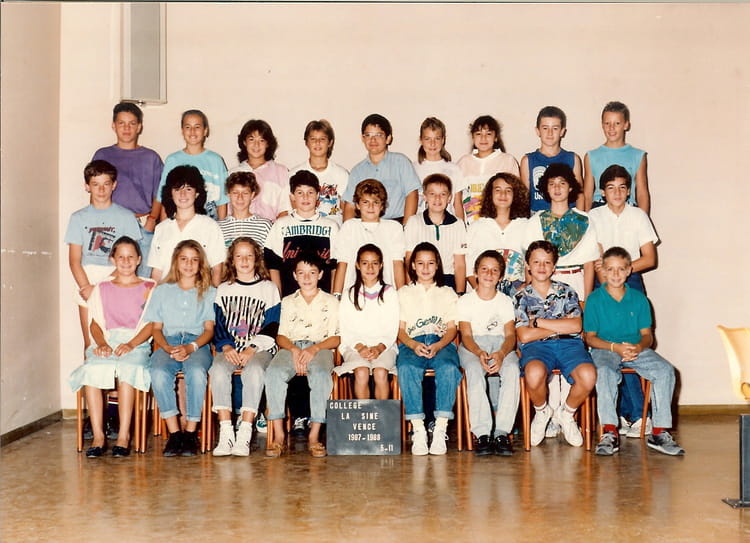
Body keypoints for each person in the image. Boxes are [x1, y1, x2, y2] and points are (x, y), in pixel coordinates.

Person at [585, 247, 684, 456]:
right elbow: (590, 337)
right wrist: (615, 347)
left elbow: (647, 336)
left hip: (634, 347)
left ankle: (659, 432)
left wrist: (638, 347)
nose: (615, 274)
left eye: (621, 269)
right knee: (604, 372)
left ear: (629, 270)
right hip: (605, 348)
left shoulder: (639, 299)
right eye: (610, 269)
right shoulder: (594, 299)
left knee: (665, 371)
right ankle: (609, 431)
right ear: (602, 271)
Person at [68, 236, 155, 457]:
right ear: (113, 260)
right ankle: (98, 436)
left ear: (139, 259)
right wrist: (102, 344)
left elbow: (152, 325)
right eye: (121, 257)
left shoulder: (150, 287)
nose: (126, 261)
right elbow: (95, 324)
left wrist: (131, 344)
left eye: (131, 257)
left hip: (136, 343)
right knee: (92, 369)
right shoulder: (102, 287)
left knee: (127, 369)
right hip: (107, 340)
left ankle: (124, 436)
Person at [589, 164, 659, 436]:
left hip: (631, 280)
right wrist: (608, 279)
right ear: (602, 192)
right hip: (602, 282)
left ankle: (639, 414)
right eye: (610, 188)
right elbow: (595, 257)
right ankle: (618, 414)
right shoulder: (594, 216)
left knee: (632, 347)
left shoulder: (638, 215)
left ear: (628, 191)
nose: (616, 193)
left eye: (622, 187)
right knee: (610, 349)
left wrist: (620, 272)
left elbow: (649, 258)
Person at [513, 240, 597, 447]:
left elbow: (576, 326)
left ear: (554, 267)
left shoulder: (567, 291)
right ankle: (542, 411)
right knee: (534, 373)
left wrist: (538, 322)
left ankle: (566, 414)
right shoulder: (520, 297)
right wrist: (560, 325)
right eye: (536, 262)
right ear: (528, 265)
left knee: (588, 375)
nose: (542, 267)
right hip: (537, 347)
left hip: (570, 346)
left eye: (547, 262)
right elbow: (524, 336)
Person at [264, 252, 340, 458]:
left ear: (320, 274)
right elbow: (281, 336)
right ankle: (279, 435)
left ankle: (314, 435)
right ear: (294, 276)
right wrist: (294, 350)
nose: (307, 278)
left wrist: (314, 349)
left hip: (320, 347)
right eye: (301, 273)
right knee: (274, 372)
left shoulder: (331, 301)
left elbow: (336, 338)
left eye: (312, 273)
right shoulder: (288, 301)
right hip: (292, 347)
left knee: (321, 375)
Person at [210, 237, 281, 457]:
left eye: (249, 255)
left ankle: (245, 431)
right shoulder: (223, 289)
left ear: (256, 259)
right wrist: (226, 347)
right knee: (217, 369)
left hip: (260, 348)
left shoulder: (268, 288)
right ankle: (226, 432)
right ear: (232, 260)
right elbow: (218, 323)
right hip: (230, 348)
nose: (244, 260)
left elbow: (273, 324)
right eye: (239, 256)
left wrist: (252, 347)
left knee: (255, 370)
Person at [145, 240, 216, 457]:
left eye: (194, 260)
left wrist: (191, 347)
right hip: (169, 342)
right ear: (176, 261)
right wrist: (166, 347)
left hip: (197, 344)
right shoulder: (162, 291)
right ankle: (175, 433)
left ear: (201, 264)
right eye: (184, 259)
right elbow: (156, 328)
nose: (189, 264)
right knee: (158, 371)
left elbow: (209, 330)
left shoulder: (209, 291)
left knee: (196, 372)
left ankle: (191, 433)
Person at [65, 160, 142, 350]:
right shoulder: (78, 218)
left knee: (117, 341)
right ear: (87, 186)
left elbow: (130, 259)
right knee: (91, 344)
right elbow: (74, 261)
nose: (101, 190)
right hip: (87, 280)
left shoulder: (126, 217)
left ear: (114, 185)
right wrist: (87, 288)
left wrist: (104, 287)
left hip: (117, 278)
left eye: (106, 184)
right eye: (95, 184)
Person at [397, 242, 462, 456]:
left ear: (438, 265)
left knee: (448, 367)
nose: (425, 268)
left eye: (431, 263)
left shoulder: (447, 292)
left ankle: (440, 427)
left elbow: (452, 328)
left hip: (441, 341)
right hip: (412, 342)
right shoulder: (404, 293)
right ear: (413, 266)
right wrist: (413, 344)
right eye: (420, 263)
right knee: (406, 368)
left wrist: (440, 344)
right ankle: (418, 430)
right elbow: (400, 330)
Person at [458, 250, 520, 456]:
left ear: (500, 276)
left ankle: (502, 432)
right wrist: (479, 353)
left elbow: (510, 335)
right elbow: (466, 335)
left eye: (494, 270)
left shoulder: (505, 301)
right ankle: (482, 433)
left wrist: (501, 354)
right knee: (474, 370)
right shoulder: (465, 301)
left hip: (501, 344)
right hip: (473, 345)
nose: (489, 274)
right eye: (484, 269)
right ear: (475, 272)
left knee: (512, 369)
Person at [92, 102, 163, 277]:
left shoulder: (151, 157)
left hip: (142, 225)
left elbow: (160, 194)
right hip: (110, 225)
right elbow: (95, 192)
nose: (126, 128)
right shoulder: (102, 155)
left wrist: (152, 220)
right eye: (121, 123)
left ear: (139, 127)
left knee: (142, 280)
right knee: (108, 279)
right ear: (113, 125)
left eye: (132, 123)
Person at [337, 244, 399, 399]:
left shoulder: (390, 293)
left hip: (384, 346)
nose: (370, 268)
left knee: (380, 372)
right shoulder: (349, 293)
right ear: (358, 265)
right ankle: (364, 413)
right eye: (365, 263)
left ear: (381, 265)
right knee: (362, 372)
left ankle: (381, 415)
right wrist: (360, 347)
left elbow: (392, 328)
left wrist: (379, 348)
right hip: (354, 346)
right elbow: (346, 328)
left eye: (375, 263)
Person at [148, 165, 225, 286]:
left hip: (199, 293)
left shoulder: (210, 226)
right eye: (177, 189)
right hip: (166, 293)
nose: (183, 194)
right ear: (171, 193)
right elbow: (156, 273)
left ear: (197, 193)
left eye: (188, 189)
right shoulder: (161, 228)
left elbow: (217, 269)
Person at [264, 170, 339, 296]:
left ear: (318, 195)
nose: (305, 197)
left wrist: (332, 298)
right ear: (292, 196)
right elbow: (273, 266)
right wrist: (278, 298)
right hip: (289, 298)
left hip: (322, 299)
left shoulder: (331, 226)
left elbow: (335, 267)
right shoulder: (281, 225)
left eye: (310, 192)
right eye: (300, 193)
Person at [342, 113, 421, 224]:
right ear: (362, 138)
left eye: (379, 135)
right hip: (366, 226)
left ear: (388, 138)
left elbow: (412, 194)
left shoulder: (401, 162)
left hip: (396, 224)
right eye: (368, 135)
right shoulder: (357, 171)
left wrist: (406, 226)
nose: (373, 140)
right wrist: (349, 229)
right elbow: (350, 206)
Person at [333, 179, 406, 296]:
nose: (371, 207)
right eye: (365, 202)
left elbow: (398, 264)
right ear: (357, 205)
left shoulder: (394, 228)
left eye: (376, 202)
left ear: (382, 206)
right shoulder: (349, 227)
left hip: (385, 294)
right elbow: (342, 263)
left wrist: (402, 296)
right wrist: (337, 295)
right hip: (353, 294)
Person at [157, 110, 229, 220]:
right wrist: (163, 226)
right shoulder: (173, 160)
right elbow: (165, 198)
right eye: (188, 127)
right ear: (182, 131)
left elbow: (222, 201)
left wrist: (222, 227)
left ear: (205, 131)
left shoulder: (216, 160)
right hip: (179, 222)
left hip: (209, 222)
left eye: (197, 127)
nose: (192, 131)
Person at [466, 172, 530, 297]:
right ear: (490, 194)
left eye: (508, 190)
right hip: (483, 293)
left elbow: (533, 263)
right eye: (498, 190)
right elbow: (468, 267)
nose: (503, 194)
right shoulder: (477, 227)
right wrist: (483, 293)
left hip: (519, 294)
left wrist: (524, 289)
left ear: (516, 195)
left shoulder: (526, 226)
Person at [404, 173, 467, 294]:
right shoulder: (414, 222)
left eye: (443, 194)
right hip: (421, 280)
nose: (437, 198)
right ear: (425, 197)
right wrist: (411, 290)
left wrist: (460, 293)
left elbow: (459, 264)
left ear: (449, 198)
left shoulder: (458, 224)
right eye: (432, 194)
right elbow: (409, 260)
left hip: (448, 281)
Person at [583, 101, 649, 212]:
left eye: (617, 123)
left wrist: (643, 218)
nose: (611, 128)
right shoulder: (591, 156)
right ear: (602, 125)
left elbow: (642, 193)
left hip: (627, 208)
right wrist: (587, 218)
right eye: (607, 123)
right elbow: (587, 195)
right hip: (600, 208)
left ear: (626, 125)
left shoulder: (637, 156)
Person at [520, 105, 584, 213]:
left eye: (555, 128)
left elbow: (580, 194)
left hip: (568, 215)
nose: (550, 133)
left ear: (562, 131)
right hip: (537, 215)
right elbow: (524, 197)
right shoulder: (528, 160)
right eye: (545, 128)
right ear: (537, 131)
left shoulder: (572, 158)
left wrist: (579, 217)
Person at [457, 115, 520, 224]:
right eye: (478, 134)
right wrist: (461, 227)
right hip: (470, 227)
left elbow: (517, 197)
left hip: (499, 226)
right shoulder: (463, 162)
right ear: (472, 137)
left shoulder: (508, 161)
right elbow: (457, 200)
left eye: (488, 134)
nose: (483, 138)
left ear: (496, 137)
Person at [228, 119, 291, 222]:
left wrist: (273, 230)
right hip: (239, 229)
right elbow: (227, 210)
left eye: (261, 140)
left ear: (268, 143)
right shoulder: (233, 173)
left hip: (272, 229)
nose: (256, 145)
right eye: (251, 139)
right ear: (244, 142)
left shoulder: (281, 172)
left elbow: (285, 210)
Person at [290, 119, 349, 225]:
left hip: (334, 229)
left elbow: (346, 210)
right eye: (313, 139)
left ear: (330, 142)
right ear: (306, 142)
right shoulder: (294, 174)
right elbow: (292, 208)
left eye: (322, 139)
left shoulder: (341, 174)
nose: (317, 143)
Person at [412, 117, 464, 220]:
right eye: (427, 139)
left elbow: (457, 204)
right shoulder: (413, 169)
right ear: (421, 140)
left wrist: (461, 226)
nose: (432, 143)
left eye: (437, 138)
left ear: (443, 140)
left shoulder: (454, 169)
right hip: (421, 224)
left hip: (448, 224)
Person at [217, 171, 273, 248]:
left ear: (252, 195)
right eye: (235, 193)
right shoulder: (219, 227)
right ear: (228, 194)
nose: (240, 198)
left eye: (245, 193)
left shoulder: (264, 226)